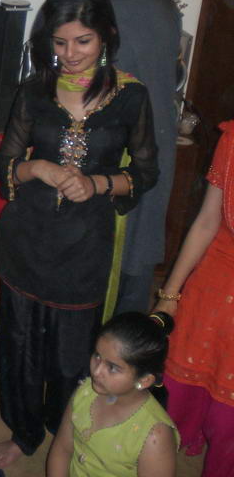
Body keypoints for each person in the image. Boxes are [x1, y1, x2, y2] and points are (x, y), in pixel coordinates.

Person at [0, 0, 159, 468]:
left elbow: (146, 173)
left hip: (85, 244)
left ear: (106, 36)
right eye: (59, 42)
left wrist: (99, 183)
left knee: (73, 355)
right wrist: (37, 168)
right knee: (19, 346)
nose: (70, 54)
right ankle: (24, 433)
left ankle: (69, 428)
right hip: (27, 237)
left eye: (82, 41)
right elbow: (5, 165)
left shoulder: (130, 96)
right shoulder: (34, 90)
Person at [88, 0, 183, 314]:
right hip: (158, 140)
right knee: (139, 247)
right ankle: (129, 340)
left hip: (105, 142)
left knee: (94, 245)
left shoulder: (85, 2)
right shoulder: (165, 5)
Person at [154, 120, 234, 476]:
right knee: (176, 393)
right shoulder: (232, 140)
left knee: (226, 422)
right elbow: (206, 222)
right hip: (218, 273)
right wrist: (170, 295)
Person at [47, 312, 179, 476]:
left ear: (144, 380)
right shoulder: (85, 392)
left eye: (113, 368)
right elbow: (62, 449)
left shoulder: (155, 436)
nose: (96, 371)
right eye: (97, 356)